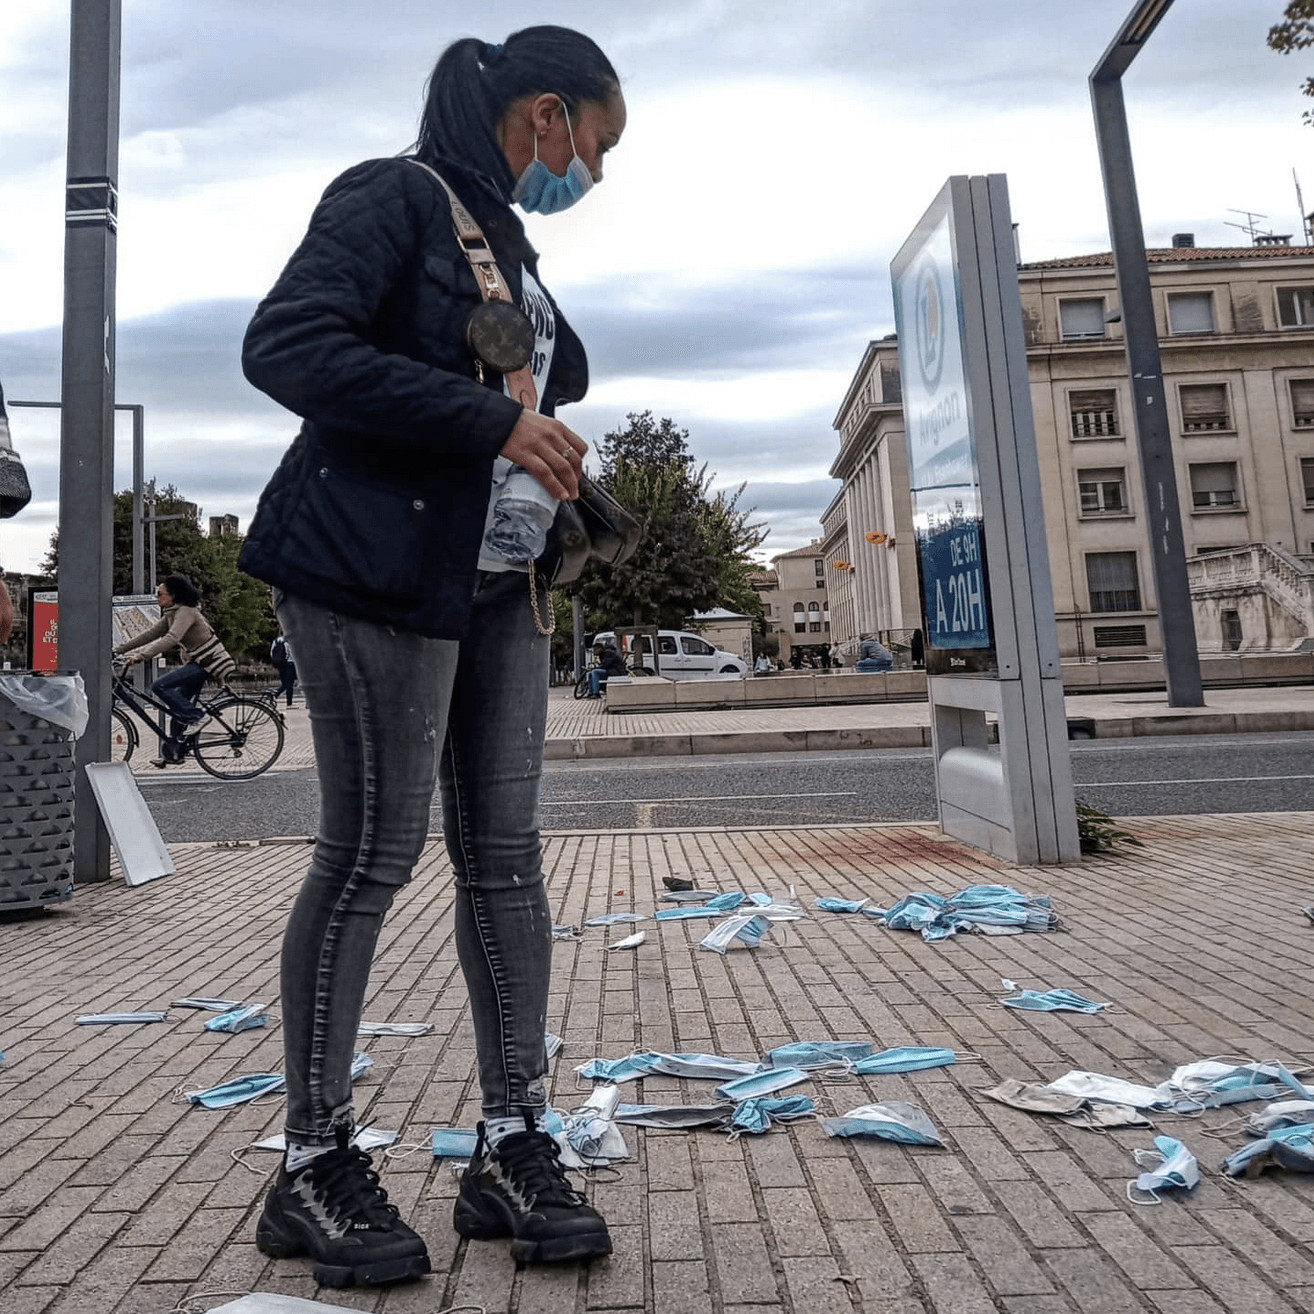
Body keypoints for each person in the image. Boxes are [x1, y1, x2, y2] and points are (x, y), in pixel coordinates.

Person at [237, 25, 625, 1287]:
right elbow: (286, 346)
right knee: (367, 857)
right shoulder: (391, 195)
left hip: (496, 585)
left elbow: (513, 387)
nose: (594, 178)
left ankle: (512, 1142)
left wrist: (533, 443)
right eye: (596, 147)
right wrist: (490, 419)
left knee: (505, 861)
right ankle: (311, 1163)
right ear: (546, 114)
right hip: (371, 570)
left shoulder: (508, 239)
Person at [113, 575, 236, 767]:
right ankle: (174, 754)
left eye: (160, 594)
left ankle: (197, 717)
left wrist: (141, 656)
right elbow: (150, 634)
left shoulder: (186, 612)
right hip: (198, 662)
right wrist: (118, 650)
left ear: (173, 595)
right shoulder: (172, 613)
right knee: (178, 712)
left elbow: (171, 638)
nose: (157, 598)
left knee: (160, 685)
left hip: (209, 663)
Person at [270, 632, 296, 706]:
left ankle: (274, 695)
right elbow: (291, 653)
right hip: (289, 663)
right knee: (289, 684)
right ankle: (289, 702)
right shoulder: (289, 640)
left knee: (284, 684)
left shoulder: (276, 641)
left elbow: (272, 653)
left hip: (280, 664)